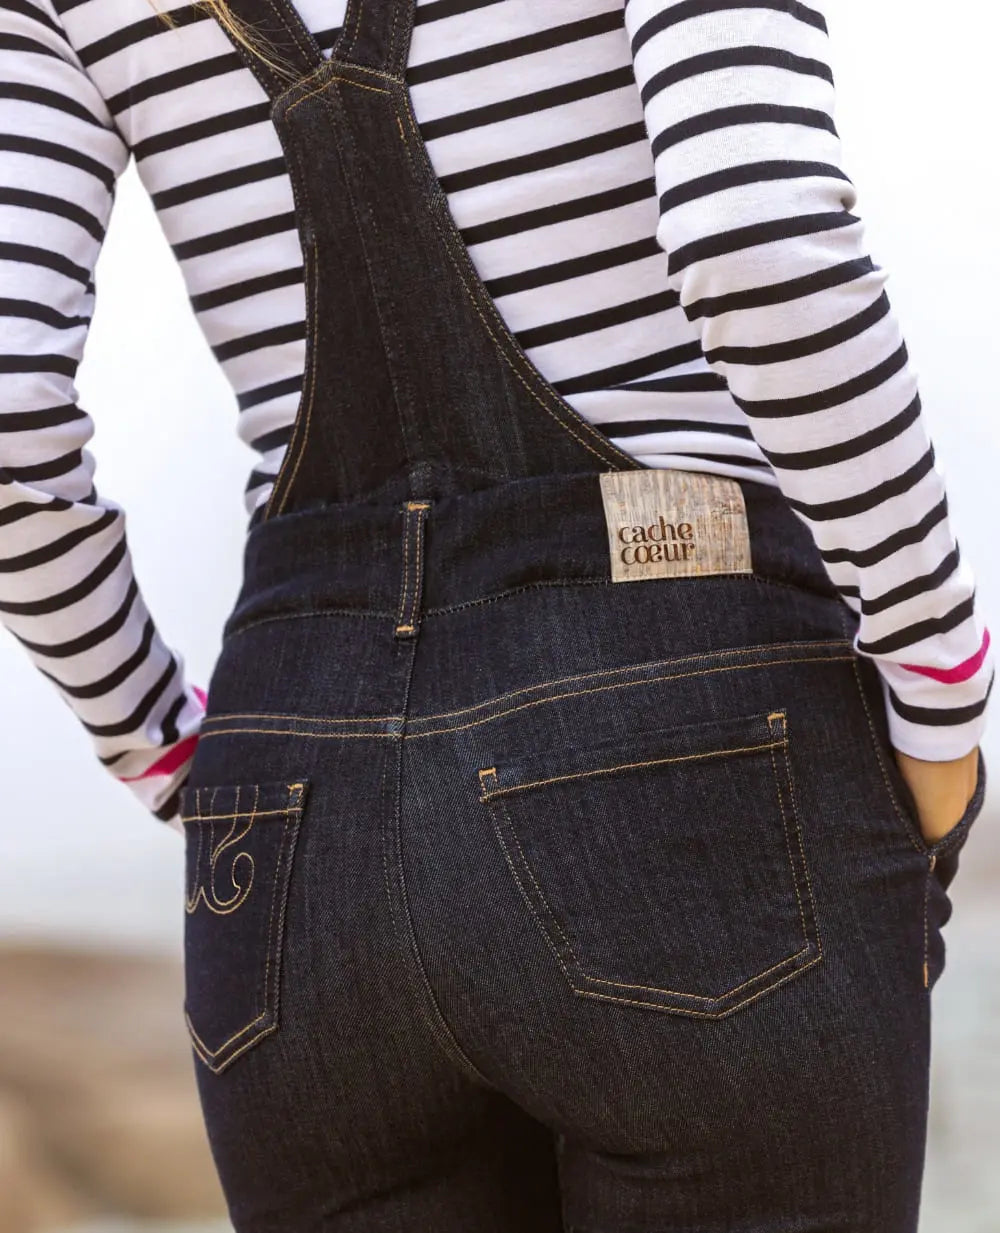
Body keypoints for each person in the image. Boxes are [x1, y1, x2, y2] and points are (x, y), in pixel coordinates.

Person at [0, 0, 992, 1229]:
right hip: (690, 713)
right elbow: (760, 241)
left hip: (298, 779)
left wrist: (161, 746)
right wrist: (936, 679)